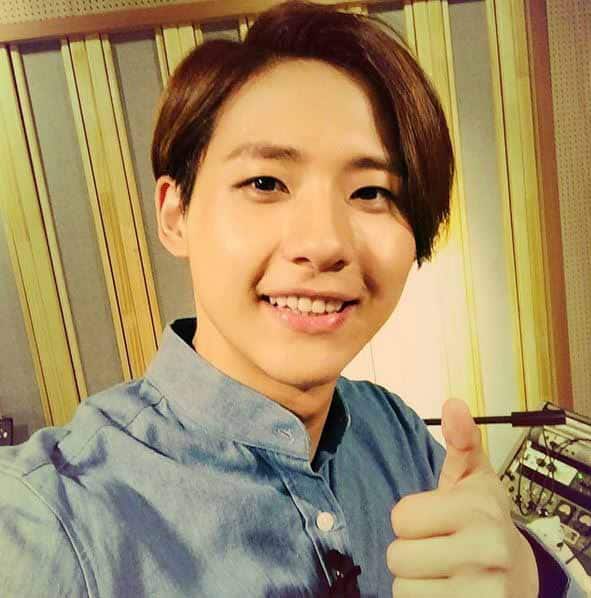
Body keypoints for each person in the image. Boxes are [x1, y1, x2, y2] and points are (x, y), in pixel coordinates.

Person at [0, 1, 585, 596]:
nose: (324, 244)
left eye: (371, 191)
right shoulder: (46, 521)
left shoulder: (392, 431)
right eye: (265, 183)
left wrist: (532, 573)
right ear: (175, 214)